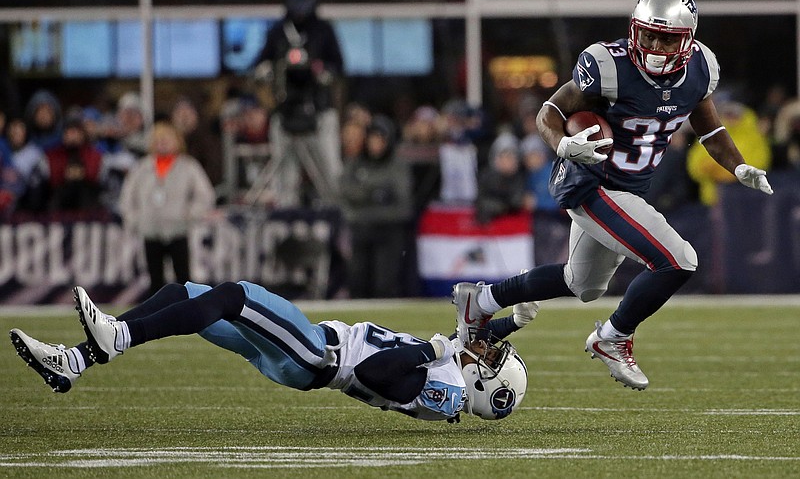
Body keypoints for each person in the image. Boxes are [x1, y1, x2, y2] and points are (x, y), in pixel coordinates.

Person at [451, 0, 774, 391]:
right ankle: (613, 337)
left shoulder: (700, 69)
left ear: (687, 40)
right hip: (593, 183)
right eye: (648, 34)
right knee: (678, 260)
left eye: (666, 38)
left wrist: (739, 164)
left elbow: (710, 128)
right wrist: (563, 144)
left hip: (628, 189)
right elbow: (550, 111)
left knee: (582, 284)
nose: (654, 46)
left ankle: (481, 302)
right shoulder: (609, 65)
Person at [10, 282, 539, 422]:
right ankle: (75, 362)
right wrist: (513, 318)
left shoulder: (445, 395)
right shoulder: (453, 371)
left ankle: (117, 338)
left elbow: (380, 372)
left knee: (234, 297)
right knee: (188, 295)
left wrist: (435, 344)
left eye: (490, 366)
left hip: (316, 356)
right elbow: (479, 336)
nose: (484, 355)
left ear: (485, 390)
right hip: (308, 352)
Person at [252, 0, 344, 207]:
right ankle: (285, 218)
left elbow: (338, 67)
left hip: (318, 110)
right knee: (285, 174)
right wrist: (271, 71)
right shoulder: (278, 32)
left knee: (329, 169)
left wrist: (320, 72)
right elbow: (259, 65)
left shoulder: (323, 31)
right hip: (285, 111)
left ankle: (335, 211)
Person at [119, 121, 216, 298]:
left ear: (177, 141)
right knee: (154, 280)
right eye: (158, 139)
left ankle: (187, 313)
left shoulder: (188, 166)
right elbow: (127, 197)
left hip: (178, 230)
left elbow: (205, 195)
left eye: (166, 139)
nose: (162, 143)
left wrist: (190, 215)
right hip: (150, 231)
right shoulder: (142, 167)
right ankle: (155, 317)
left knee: (184, 278)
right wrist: (136, 220)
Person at [339, 115, 413, 298]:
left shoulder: (397, 164)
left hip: (389, 231)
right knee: (357, 281)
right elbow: (346, 192)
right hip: (361, 230)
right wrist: (377, 192)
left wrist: (365, 194)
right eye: (372, 139)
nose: (376, 144)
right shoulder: (356, 163)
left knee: (385, 284)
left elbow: (402, 202)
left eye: (380, 139)